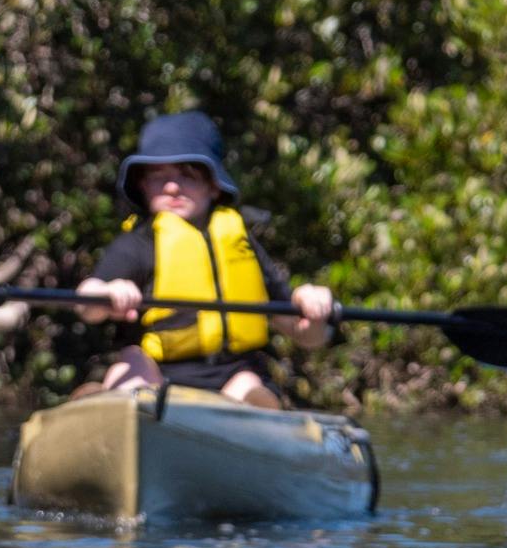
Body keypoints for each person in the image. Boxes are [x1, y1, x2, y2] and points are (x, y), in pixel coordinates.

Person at [75, 111, 335, 408]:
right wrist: (108, 294)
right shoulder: (136, 245)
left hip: (231, 378)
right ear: (143, 186)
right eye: (159, 176)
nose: (172, 187)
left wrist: (313, 308)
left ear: (213, 185)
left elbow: (308, 336)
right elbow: (86, 304)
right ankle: (105, 410)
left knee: (249, 384)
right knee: (129, 365)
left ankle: (253, 420)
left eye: (187, 175)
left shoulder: (240, 242)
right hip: (156, 374)